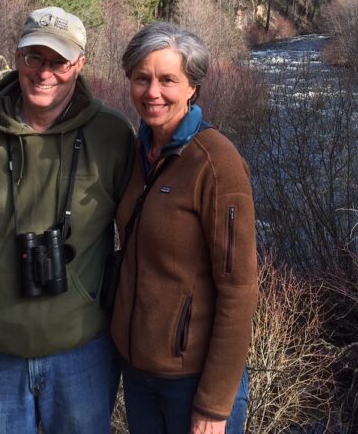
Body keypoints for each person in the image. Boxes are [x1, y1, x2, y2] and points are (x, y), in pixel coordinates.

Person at [0, 6, 136, 434]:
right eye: (34, 57)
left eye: (59, 61)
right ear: (17, 57)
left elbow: (140, 235)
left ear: (80, 64)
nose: (44, 73)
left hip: (82, 350)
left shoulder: (112, 135)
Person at [111, 22, 259, 434]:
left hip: (192, 380)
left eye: (167, 80)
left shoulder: (216, 162)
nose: (152, 92)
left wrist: (214, 403)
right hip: (139, 373)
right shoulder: (139, 151)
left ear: (192, 86)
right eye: (142, 78)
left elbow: (239, 288)